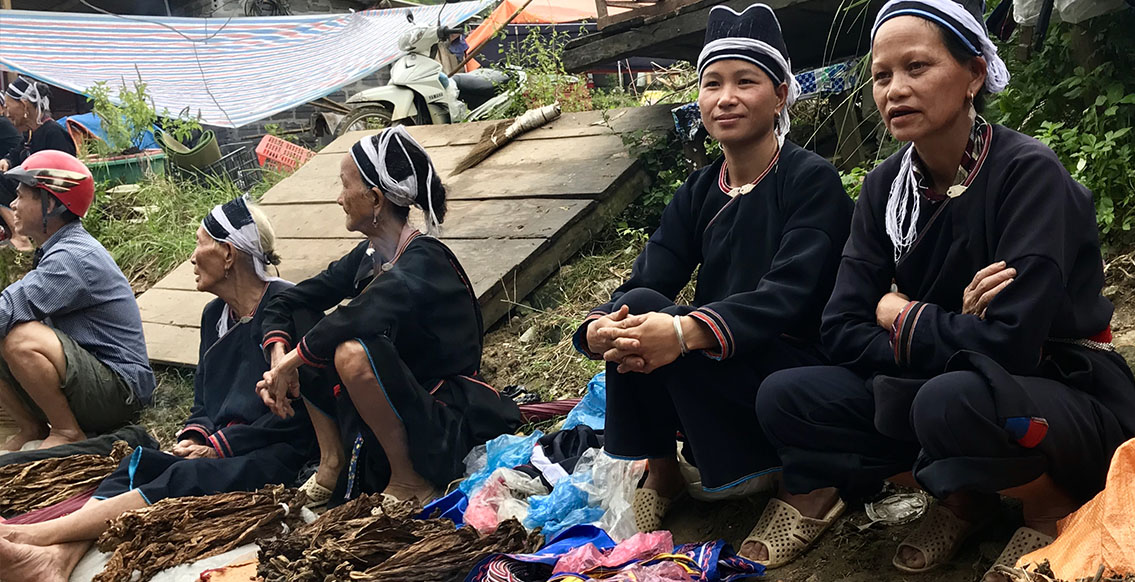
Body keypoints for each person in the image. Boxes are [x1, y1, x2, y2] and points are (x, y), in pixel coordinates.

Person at [755, 0, 1135, 578]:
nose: (895, 89)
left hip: (1058, 392)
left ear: (974, 74)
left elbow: (1014, 345)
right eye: (881, 76)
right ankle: (965, 501)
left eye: (917, 67)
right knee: (787, 396)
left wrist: (899, 310)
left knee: (948, 400)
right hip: (949, 378)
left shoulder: (1027, 173)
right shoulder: (885, 189)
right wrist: (948, 324)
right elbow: (840, 325)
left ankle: (1048, 506)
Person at [570, 3, 854, 566]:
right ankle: (664, 472)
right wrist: (600, 327)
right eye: (712, 83)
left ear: (780, 96)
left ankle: (808, 486)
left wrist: (684, 331)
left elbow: (789, 295)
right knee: (635, 307)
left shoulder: (809, 179)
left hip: (795, 359)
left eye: (745, 82)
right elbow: (650, 277)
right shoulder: (699, 190)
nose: (725, 97)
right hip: (721, 349)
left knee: (675, 328)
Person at [0, 198, 324, 582]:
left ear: (227, 254)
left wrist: (218, 447)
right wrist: (194, 434)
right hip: (220, 447)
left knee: (183, 478)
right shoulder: (214, 317)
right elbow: (203, 401)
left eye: (200, 243)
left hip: (275, 454)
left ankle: (29, 534)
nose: (191, 257)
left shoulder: (289, 309)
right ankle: (56, 561)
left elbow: (299, 415)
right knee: (138, 464)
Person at [257, 126, 520, 508]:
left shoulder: (426, 259)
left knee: (351, 350)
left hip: (439, 423)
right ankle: (332, 462)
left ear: (375, 198)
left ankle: (411, 480)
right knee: (303, 317)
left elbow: (362, 314)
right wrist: (279, 358)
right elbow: (289, 300)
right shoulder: (368, 257)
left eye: (345, 186)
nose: (339, 198)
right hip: (393, 415)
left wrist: (293, 363)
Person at [0, 150, 155, 452]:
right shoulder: (56, 250)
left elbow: (9, 308)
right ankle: (32, 427)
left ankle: (67, 431)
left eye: (22, 197)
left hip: (121, 390)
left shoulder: (72, 258)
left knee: (20, 337)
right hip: (93, 378)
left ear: (52, 203)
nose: (14, 205)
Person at [1, 77, 76, 253]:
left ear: (25, 105)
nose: (7, 112)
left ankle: (20, 237)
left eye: (9, 105)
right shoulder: (31, 134)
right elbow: (15, 154)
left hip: (49, 197)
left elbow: (63, 175)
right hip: (31, 191)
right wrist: (7, 161)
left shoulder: (53, 133)